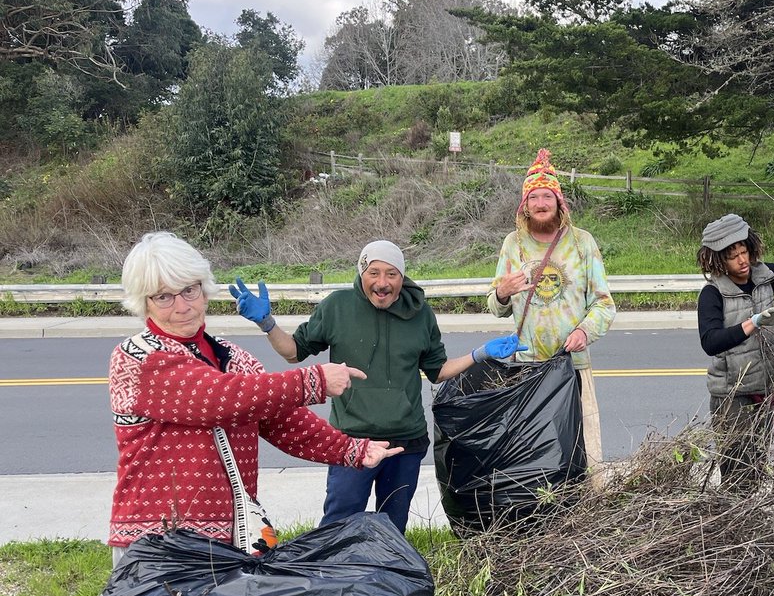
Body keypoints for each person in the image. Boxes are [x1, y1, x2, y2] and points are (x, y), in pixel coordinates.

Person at [109, 232, 403, 567]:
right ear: (143, 303)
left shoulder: (232, 356)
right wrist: (314, 380)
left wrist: (354, 450)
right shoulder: (138, 358)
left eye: (189, 290)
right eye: (164, 297)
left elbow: (285, 423)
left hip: (230, 539)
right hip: (159, 546)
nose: (182, 306)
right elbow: (217, 399)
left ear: (204, 290)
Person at [229, 240, 525, 534]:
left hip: (405, 443)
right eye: (374, 272)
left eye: (391, 274)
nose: (382, 283)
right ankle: (336, 580)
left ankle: (386, 580)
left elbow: (437, 372)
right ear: (361, 273)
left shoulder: (420, 314)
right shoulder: (337, 307)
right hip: (350, 441)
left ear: (402, 277)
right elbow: (293, 351)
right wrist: (267, 323)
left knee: (392, 530)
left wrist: (479, 353)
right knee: (339, 525)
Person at [487, 149, 616, 471]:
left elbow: (604, 303)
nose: (541, 203)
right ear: (525, 205)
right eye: (534, 198)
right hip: (525, 368)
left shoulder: (582, 243)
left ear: (560, 202)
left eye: (548, 196)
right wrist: (502, 293)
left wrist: (584, 331)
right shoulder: (512, 245)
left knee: (579, 446)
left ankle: (583, 509)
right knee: (530, 450)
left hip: (573, 366)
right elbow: (495, 307)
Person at [696, 213, 774, 486]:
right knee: (738, 476)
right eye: (732, 255)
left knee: (757, 470)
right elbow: (710, 341)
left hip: (764, 389)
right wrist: (754, 323)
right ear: (717, 260)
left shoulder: (765, 277)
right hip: (732, 398)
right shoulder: (713, 293)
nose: (742, 260)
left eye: (744, 251)